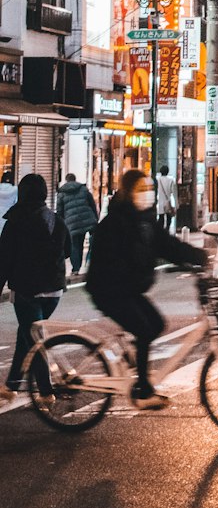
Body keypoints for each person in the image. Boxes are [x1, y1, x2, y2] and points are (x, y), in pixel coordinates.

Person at [86, 169, 205, 410]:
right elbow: (109, 261)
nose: (147, 194)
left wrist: (198, 257)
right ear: (128, 192)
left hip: (129, 290)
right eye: (141, 190)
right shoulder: (116, 222)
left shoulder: (145, 220)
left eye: (149, 189)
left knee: (157, 325)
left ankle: (135, 366)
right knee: (143, 329)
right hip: (110, 290)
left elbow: (168, 245)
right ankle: (143, 391)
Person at [0, 173, 70, 402]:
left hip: (27, 291)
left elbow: (4, 261)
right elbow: (68, 249)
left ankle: (46, 390)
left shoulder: (15, 221)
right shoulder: (55, 219)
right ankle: (11, 386)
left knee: (35, 339)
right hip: (54, 292)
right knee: (27, 335)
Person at [55, 171, 99, 274]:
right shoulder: (83, 189)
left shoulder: (61, 193)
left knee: (75, 245)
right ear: (75, 179)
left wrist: (61, 225)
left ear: (66, 180)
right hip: (87, 220)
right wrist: (95, 219)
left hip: (72, 223)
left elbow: (59, 211)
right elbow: (92, 204)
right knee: (87, 242)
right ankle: (89, 264)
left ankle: (76, 268)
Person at [154, 165, 178, 232]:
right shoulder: (171, 180)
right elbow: (174, 193)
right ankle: (167, 230)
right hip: (168, 202)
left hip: (160, 202)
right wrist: (176, 204)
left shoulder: (157, 179)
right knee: (169, 218)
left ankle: (160, 232)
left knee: (161, 218)